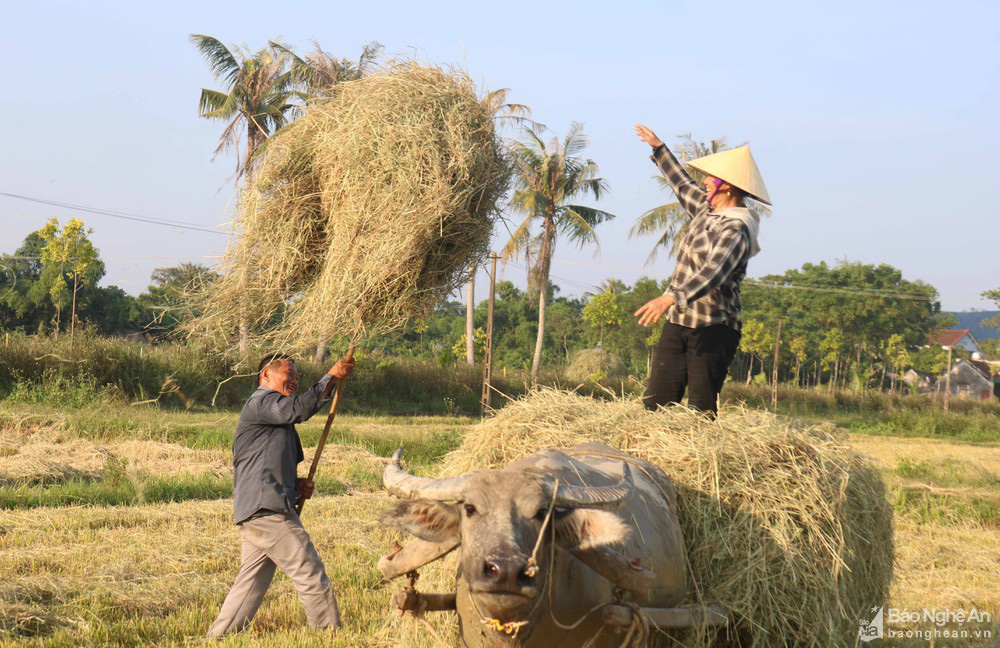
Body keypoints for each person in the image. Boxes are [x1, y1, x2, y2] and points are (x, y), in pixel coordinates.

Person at [207, 352, 355, 637]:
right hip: (267, 510)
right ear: (266, 376)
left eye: (298, 377)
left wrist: (296, 485)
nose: (295, 381)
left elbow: (263, 463)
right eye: (290, 375)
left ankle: (219, 638)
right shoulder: (262, 402)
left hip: (256, 509)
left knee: (250, 584)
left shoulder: (272, 415)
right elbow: (298, 410)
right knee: (309, 571)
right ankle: (330, 637)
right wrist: (332, 377)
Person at [633, 124, 771, 417]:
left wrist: (671, 297)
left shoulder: (737, 228)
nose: (706, 181)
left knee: (700, 409)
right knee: (655, 405)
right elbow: (682, 184)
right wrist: (659, 148)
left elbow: (714, 272)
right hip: (680, 321)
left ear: (728, 187)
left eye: (711, 178)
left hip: (714, 328)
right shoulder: (706, 210)